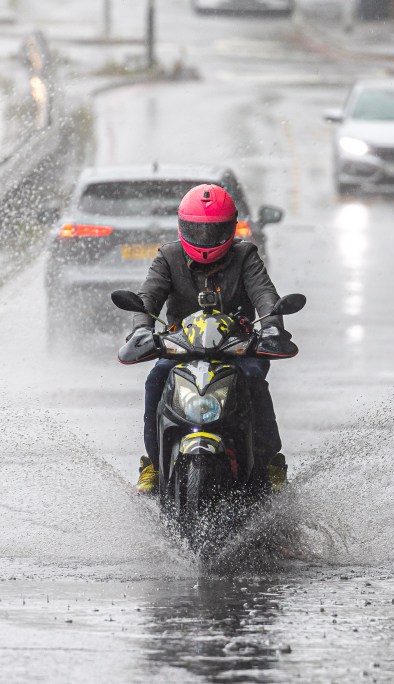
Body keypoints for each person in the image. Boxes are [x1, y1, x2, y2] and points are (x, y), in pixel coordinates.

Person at [125, 183, 296, 495]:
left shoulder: (245, 255)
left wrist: (272, 327)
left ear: (230, 227)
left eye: (213, 230)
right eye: (196, 229)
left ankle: (270, 461)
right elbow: (147, 298)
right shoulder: (168, 256)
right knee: (155, 379)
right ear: (182, 226)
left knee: (254, 378)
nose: (204, 239)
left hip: (237, 348)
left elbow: (265, 295)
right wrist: (141, 330)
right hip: (182, 350)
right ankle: (152, 462)